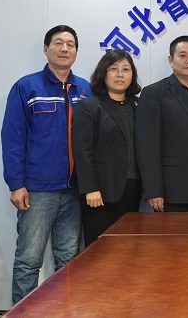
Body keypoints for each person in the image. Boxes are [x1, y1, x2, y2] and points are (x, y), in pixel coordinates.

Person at [1, 25, 91, 304]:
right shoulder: (27, 87)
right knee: (29, 261)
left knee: (70, 259)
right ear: (46, 49)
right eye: (58, 43)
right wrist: (16, 184)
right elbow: (13, 137)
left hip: (74, 189)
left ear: (76, 52)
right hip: (37, 191)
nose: (64, 49)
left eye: (70, 44)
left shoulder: (85, 89)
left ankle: (64, 311)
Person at [136, 36, 188, 212]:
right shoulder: (154, 93)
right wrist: (153, 190)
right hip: (172, 190)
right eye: (182, 55)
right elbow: (147, 147)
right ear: (170, 60)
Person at [72, 50, 142, 246]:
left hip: (133, 189)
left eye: (126, 69)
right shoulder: (89, 106)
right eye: (113, 69)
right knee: (99, 251)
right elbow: (83, 151)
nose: (120, 74)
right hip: (100, 193)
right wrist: (90, 188)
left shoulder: (139, 105)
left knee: (128, 250)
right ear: (103, 73)